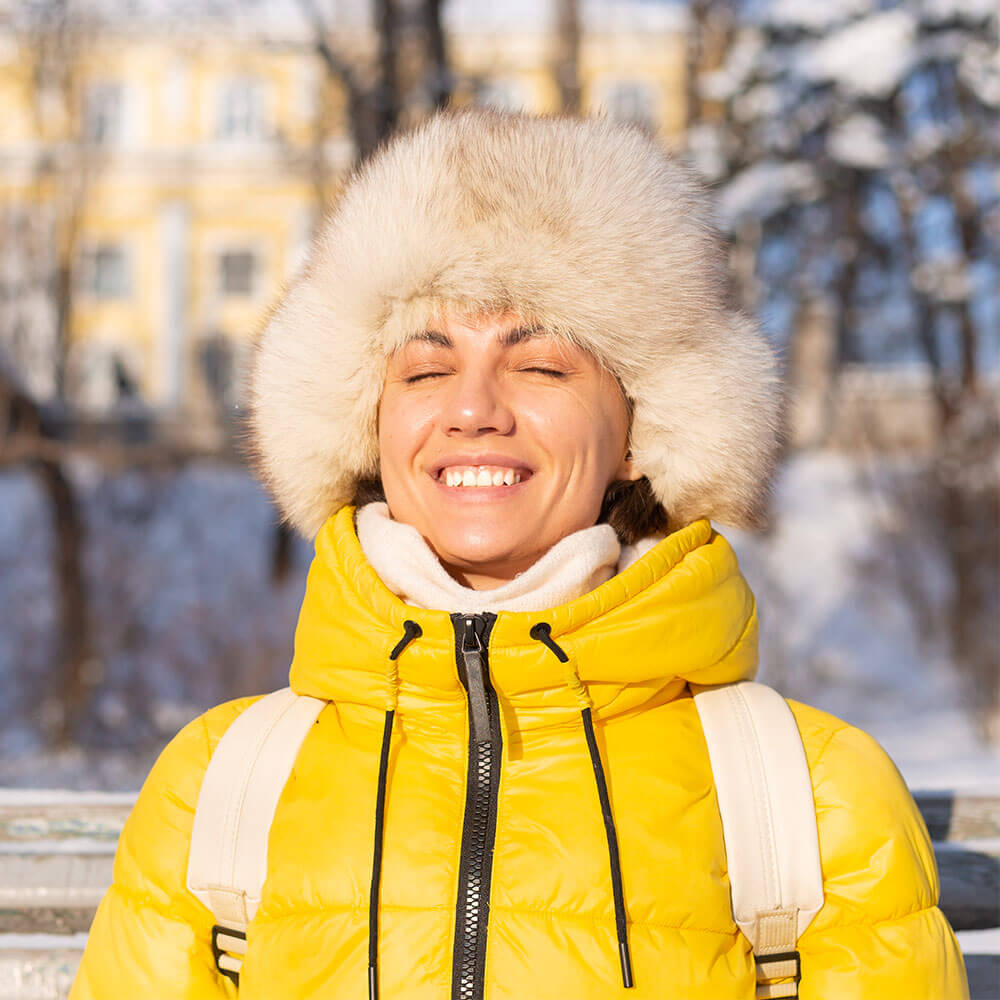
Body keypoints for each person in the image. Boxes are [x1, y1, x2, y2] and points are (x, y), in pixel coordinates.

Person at [70, 108, 968, 999]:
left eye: (540, 366)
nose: (474, 408)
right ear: (370, 427)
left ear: (638, 433)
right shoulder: (223, 786)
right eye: (425, 371)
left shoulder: (810, 800)